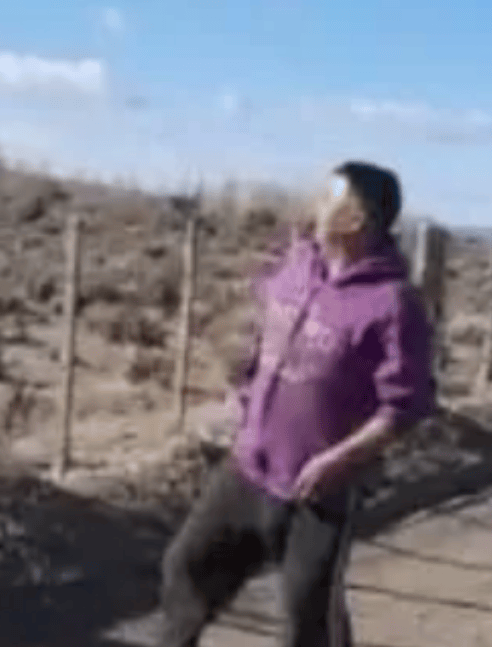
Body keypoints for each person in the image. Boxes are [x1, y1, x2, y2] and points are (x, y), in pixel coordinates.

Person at [157, 160, 437, 647]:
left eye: (330, 196)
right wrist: (244, 392)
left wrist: (339, 460)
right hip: (248, 468)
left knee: (309, 616)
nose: (316, 201)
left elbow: (406, 406)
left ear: (355, 219)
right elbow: (263, 333)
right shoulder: (295, 265)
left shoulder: (393, 304)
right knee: (186, 568)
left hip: (319, 492)